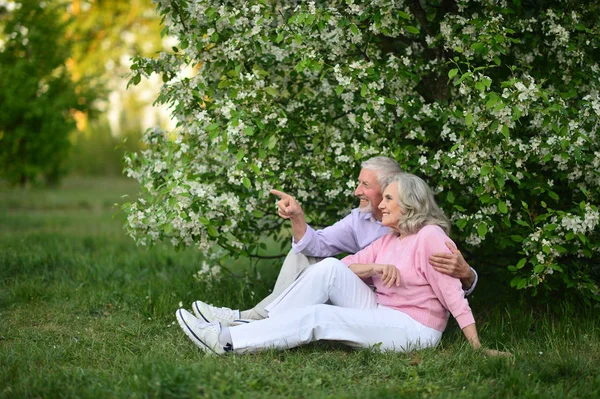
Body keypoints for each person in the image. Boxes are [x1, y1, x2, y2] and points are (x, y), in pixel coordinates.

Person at [175, 172, 504, 356]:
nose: (381, 205)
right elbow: (341, 268)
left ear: (410, 205)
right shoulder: (388, 241)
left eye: (389, 198)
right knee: (330, 267)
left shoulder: (429, 236)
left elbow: (453, 296)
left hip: (414, 329)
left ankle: (228, 341)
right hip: (379, 308)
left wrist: (478, 348)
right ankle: (245, 327)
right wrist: (374, 269)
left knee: (319, 316)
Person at [192, 157, 478, 325]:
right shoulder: (360, 219)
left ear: (391, 189)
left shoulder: (420, 229)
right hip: (349, 293)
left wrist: (467, 274)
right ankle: (257, 318)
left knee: (327, 269)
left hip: (381, 308)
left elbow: (447, 281)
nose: (357, 191)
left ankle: (249, 321)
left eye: (366, 185)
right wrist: (297, 217)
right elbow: (317, 245)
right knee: (301, 255)